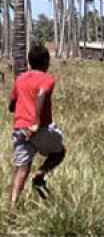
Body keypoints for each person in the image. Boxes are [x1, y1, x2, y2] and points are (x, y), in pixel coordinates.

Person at [8, 44, 66, 212]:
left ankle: (12, 207)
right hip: (38, 129)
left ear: (30, 61)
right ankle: (40, 174)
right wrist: (35, 122)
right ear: (46, 62)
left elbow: (12, 104)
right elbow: (41, 95)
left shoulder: (20, 79)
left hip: (20, 129)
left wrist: (19, 108)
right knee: (59, 152)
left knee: (22, 168)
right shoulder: (46, 79)